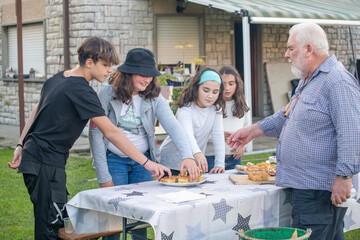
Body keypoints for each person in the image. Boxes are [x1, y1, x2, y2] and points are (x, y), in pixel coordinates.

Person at [7, 37, 173, 240]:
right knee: (51, 228)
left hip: (40, 159)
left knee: (57, 222)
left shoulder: (59, 78)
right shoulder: (82, 91)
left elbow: (36, 109)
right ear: (89, 62)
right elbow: (111, 132)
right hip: (45, 163)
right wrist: (147, 162)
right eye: (105, 65)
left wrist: (20, 144)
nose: (109, 70)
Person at [227, 22, 360, 239]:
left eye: (291, 49)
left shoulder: (337, 81)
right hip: (308, 187)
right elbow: (287, 115)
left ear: (309, 49)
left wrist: (344, 176)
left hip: (320, 189)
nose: (287, 54)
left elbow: (352, 132)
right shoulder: (309, 78)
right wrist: (253, 130)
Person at [89, 48, 200, 240]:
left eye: (151, 75)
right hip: (114, 161)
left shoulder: (154, 96)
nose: (147, 79)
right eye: (142, 74)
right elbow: (95, 136)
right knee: (114, 219)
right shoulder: (107, 93)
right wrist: (104, 176)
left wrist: (188, 156)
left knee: (139, 218)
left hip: (144, 163)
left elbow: (174, 127)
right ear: (128, 73)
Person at [160, 68, 226, 174]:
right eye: (206, 90)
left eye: (215, 92)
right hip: (172, 161)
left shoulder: (216, 109)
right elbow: (187, 134)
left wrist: (219, 164)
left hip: (195, 161)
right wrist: (197, 153)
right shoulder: (186, 108)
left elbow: (218, 135)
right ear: (196, 88)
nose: (210, 96)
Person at [205, 65, 250, 170]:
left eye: (231, 83)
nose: (227, 88)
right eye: (223, 84)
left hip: (234, 156)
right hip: (211, 156)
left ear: (237, 84)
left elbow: (247, 128)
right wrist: (218, 135)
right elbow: (201, 132)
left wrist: (243, 145)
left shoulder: (243, 103)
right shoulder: (211, 104)